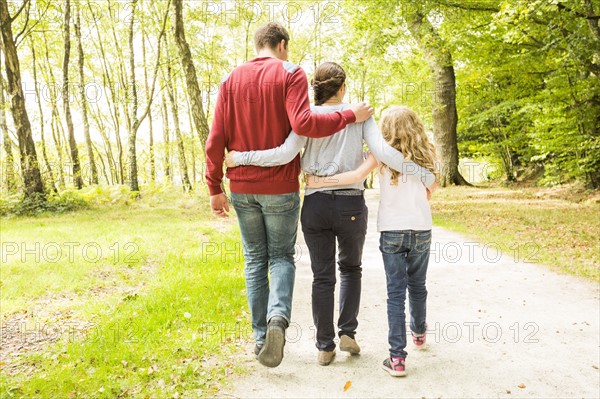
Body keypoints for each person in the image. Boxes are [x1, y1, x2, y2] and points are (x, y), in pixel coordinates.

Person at [226, 63, 436, 366]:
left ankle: (325, 345)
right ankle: (347, 331)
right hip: (351, 204)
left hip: (316, 204)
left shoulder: (305, 117)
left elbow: (284, 154)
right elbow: (384, 152)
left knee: (322, 277)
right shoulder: (359, 114)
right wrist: (423, 174)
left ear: (316, 88)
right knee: (351, 269)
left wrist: (240, 158)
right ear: (342, 88)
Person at [205, 22, 374, 368]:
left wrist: (214, 186)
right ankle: (277, 321)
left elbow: (215, 138)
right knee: (281, 256)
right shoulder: (290, 73)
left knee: (254, 260)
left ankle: (259, 338)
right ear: (281, 44)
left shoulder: (229, 80)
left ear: (257, 45)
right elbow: (304, 124)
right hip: (280, 187)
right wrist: (349, 115)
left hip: (241, 186)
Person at [306, 106, 440, 377]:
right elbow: (432, 189)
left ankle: (397, 358)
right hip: (421, 229)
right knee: (417, 285)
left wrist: (319, 181)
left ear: (386, 130)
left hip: (392, 231)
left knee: (395, 293)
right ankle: (419, 330)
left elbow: (355, 177)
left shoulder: (379, 156)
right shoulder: (429, 154)